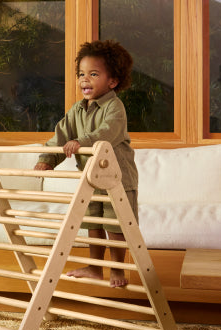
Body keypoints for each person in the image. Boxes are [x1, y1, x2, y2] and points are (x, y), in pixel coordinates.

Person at [34, 40, 137, 288]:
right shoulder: (76, 110)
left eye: (93, 74)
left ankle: (116, 268)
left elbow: (107, 133)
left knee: (114, 224)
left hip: (117, 179)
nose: (85, 80)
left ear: (112, 81)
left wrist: (80, 142)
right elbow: (60, 135)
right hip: (91, 179)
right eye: (81, 74)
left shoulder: (115, 107)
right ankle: (94, 267)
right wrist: (47, 159)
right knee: (92, 223)